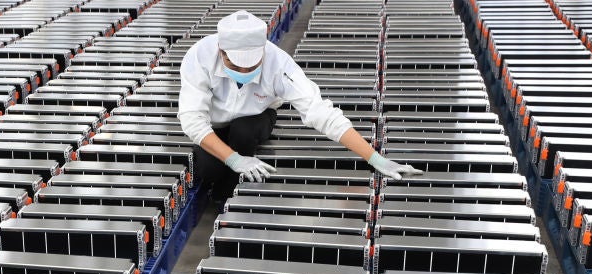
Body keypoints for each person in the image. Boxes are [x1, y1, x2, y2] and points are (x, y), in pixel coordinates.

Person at [178, 10, 422, 203]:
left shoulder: (280, 65)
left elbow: (320, 112)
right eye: (236, 65)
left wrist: (376, 159)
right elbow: (192, 120)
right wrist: (232, 158)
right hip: (214, 122)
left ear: (262, 51)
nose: (244, 72)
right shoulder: (199, 57)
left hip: (257, 117)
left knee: (243, 132)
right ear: (222, 51)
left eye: (251, 66)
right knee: (209, 170)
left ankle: (229, 194)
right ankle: (224, 173)